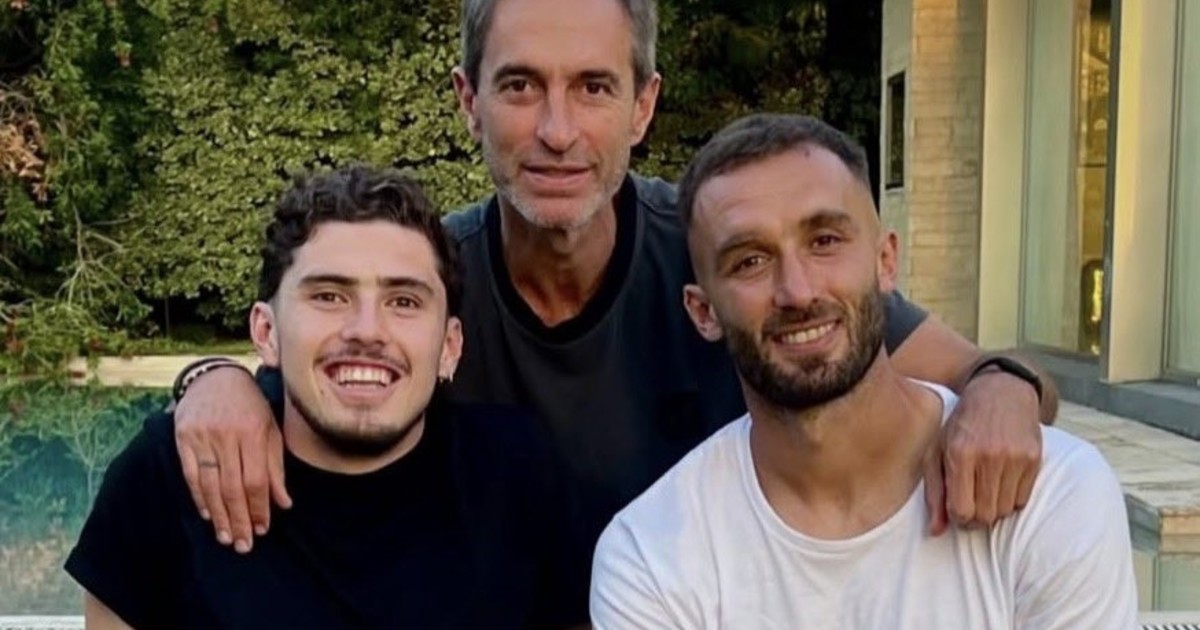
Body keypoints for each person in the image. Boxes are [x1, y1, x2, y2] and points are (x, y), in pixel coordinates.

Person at [170, 0, 1057, 558]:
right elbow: (315, 374)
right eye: (521, 87)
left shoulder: (728, 259)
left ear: (643, 104)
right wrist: (212, 382)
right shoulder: (426, 282)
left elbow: (997, 376)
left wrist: (1002, 395)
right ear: (469, 101)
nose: (557, 131)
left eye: (593, 88)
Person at [589, 114, 1137, 629]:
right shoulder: (651, 555)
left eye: (824, 241)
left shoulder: (1051, 494)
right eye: (750, 261)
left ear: (885, 261)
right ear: (703, 311)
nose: (798, 291)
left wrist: (1004, 383)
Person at [66, 166, 589, 629]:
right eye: (329, 296)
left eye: (404, 301)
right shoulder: (170, 474)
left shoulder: (519, 476)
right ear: (266, 331)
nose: (367, 330)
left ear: (450, 345)